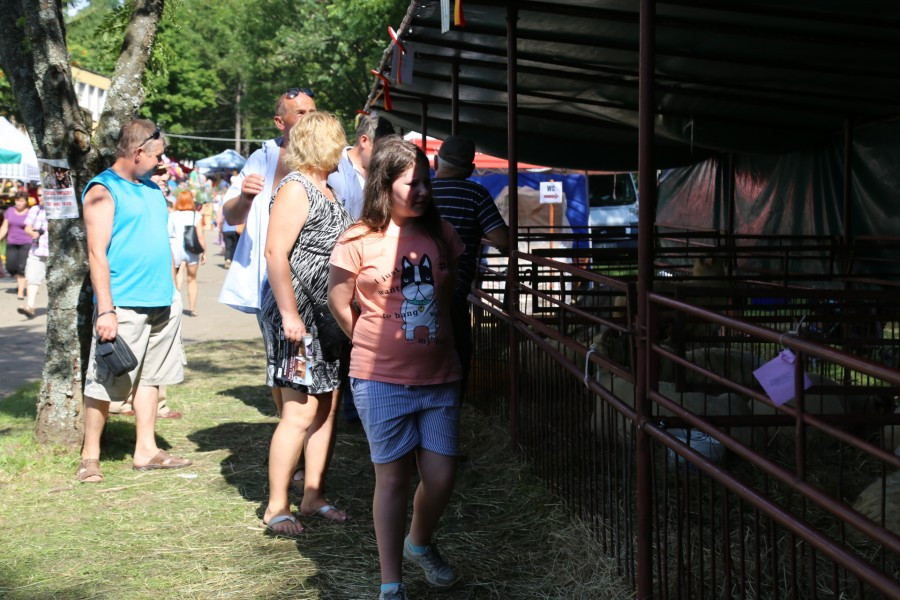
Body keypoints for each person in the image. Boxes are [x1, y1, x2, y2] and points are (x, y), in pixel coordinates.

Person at [328, 136, 466, 599]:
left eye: (426, 182)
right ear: (384, 186)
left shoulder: (441, 233)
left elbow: (446, 297)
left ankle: (418, 543)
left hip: (440, 375)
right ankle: (391, 584)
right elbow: (340, 302)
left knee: (442, 475)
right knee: (393, 478)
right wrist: (371, 343)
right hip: (379, 379)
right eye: (412, 184)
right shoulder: (356, 238)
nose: (423, 191)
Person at [76, 119, 191, 483]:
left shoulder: (151, 189)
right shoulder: (102, 190)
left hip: (162, 299)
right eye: (157, 154)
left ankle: (146, 450)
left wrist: (174, 293)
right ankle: (89, 456)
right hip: (123, 303)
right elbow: (97, 254)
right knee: (105, 383)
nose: (162, 161)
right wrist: (105, 309)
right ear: (138, 152)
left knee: (152, 378)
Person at [259, 111, 353, 536]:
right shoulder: (296, 188)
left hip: (324, 314)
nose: (345, 151)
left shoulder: (327, 188)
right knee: (299, 410)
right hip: (296, 315)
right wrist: (290, 314)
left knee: (327, 406)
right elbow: (275, 253)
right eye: (340, 142)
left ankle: (313, 495)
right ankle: (277, 505)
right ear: (324, 143)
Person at [219, 87, 316, 417]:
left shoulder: (332, 159)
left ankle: (313, 427)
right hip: (270, 277)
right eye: (300, 113)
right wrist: (244, 198)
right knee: (280, 354)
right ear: (280, 121)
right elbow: (230, 216)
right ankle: (289, 425)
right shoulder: (260, 159)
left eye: (312, 111)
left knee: (316, 355)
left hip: (317, 277)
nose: (309, 118)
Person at [327, 113, 395, 422]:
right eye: (381, 148)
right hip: (341, 268)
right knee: (344, 336)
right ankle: (342, 406)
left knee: (360, 337)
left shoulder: (379, 173)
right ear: (364, 141)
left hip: (371, 271)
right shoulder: (334, 171)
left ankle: (357, 408)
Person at [431, 134, 509, 398]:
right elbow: (503, 241)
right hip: (454, 290)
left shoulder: (422, 193)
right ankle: (453, 406)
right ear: (472, 169)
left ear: (435, 162)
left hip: (413, 290)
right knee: (458, 350)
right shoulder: (476, 194)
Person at [327, 113, 395, 221]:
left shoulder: (383, 173)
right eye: (381, 148)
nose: (384, 155)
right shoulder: (332, 169)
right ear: (364, 140)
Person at [169, 189, 206, 316]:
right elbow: (200, 236)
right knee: (192, 279)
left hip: (176, 250)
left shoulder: (173, 215)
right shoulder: (196, 215)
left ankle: (176, 306)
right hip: (192, 250)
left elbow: (169, 234)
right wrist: (204, 253)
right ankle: (192, 309)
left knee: (177, 277)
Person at [1, 191, 33, 301]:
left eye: (21, 201)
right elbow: (5, 227)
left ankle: (20, 291)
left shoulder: (30, 212)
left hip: (26, 242)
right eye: (17, 201)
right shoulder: (10, 211)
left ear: (26, 202)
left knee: (21, 267)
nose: (19, 203)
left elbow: (32, 228)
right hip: (12, 242)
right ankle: (20, 282)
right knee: (10, 267)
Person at [19, 196, 48, 319]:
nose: (41, 198)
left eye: (43, 194)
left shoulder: (61, 209)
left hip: (55, 251)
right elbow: (27, 227)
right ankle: (30, 306)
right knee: (32, 278)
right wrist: (31, 233)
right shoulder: (35, 209)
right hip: (37, 249)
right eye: (39, 195)